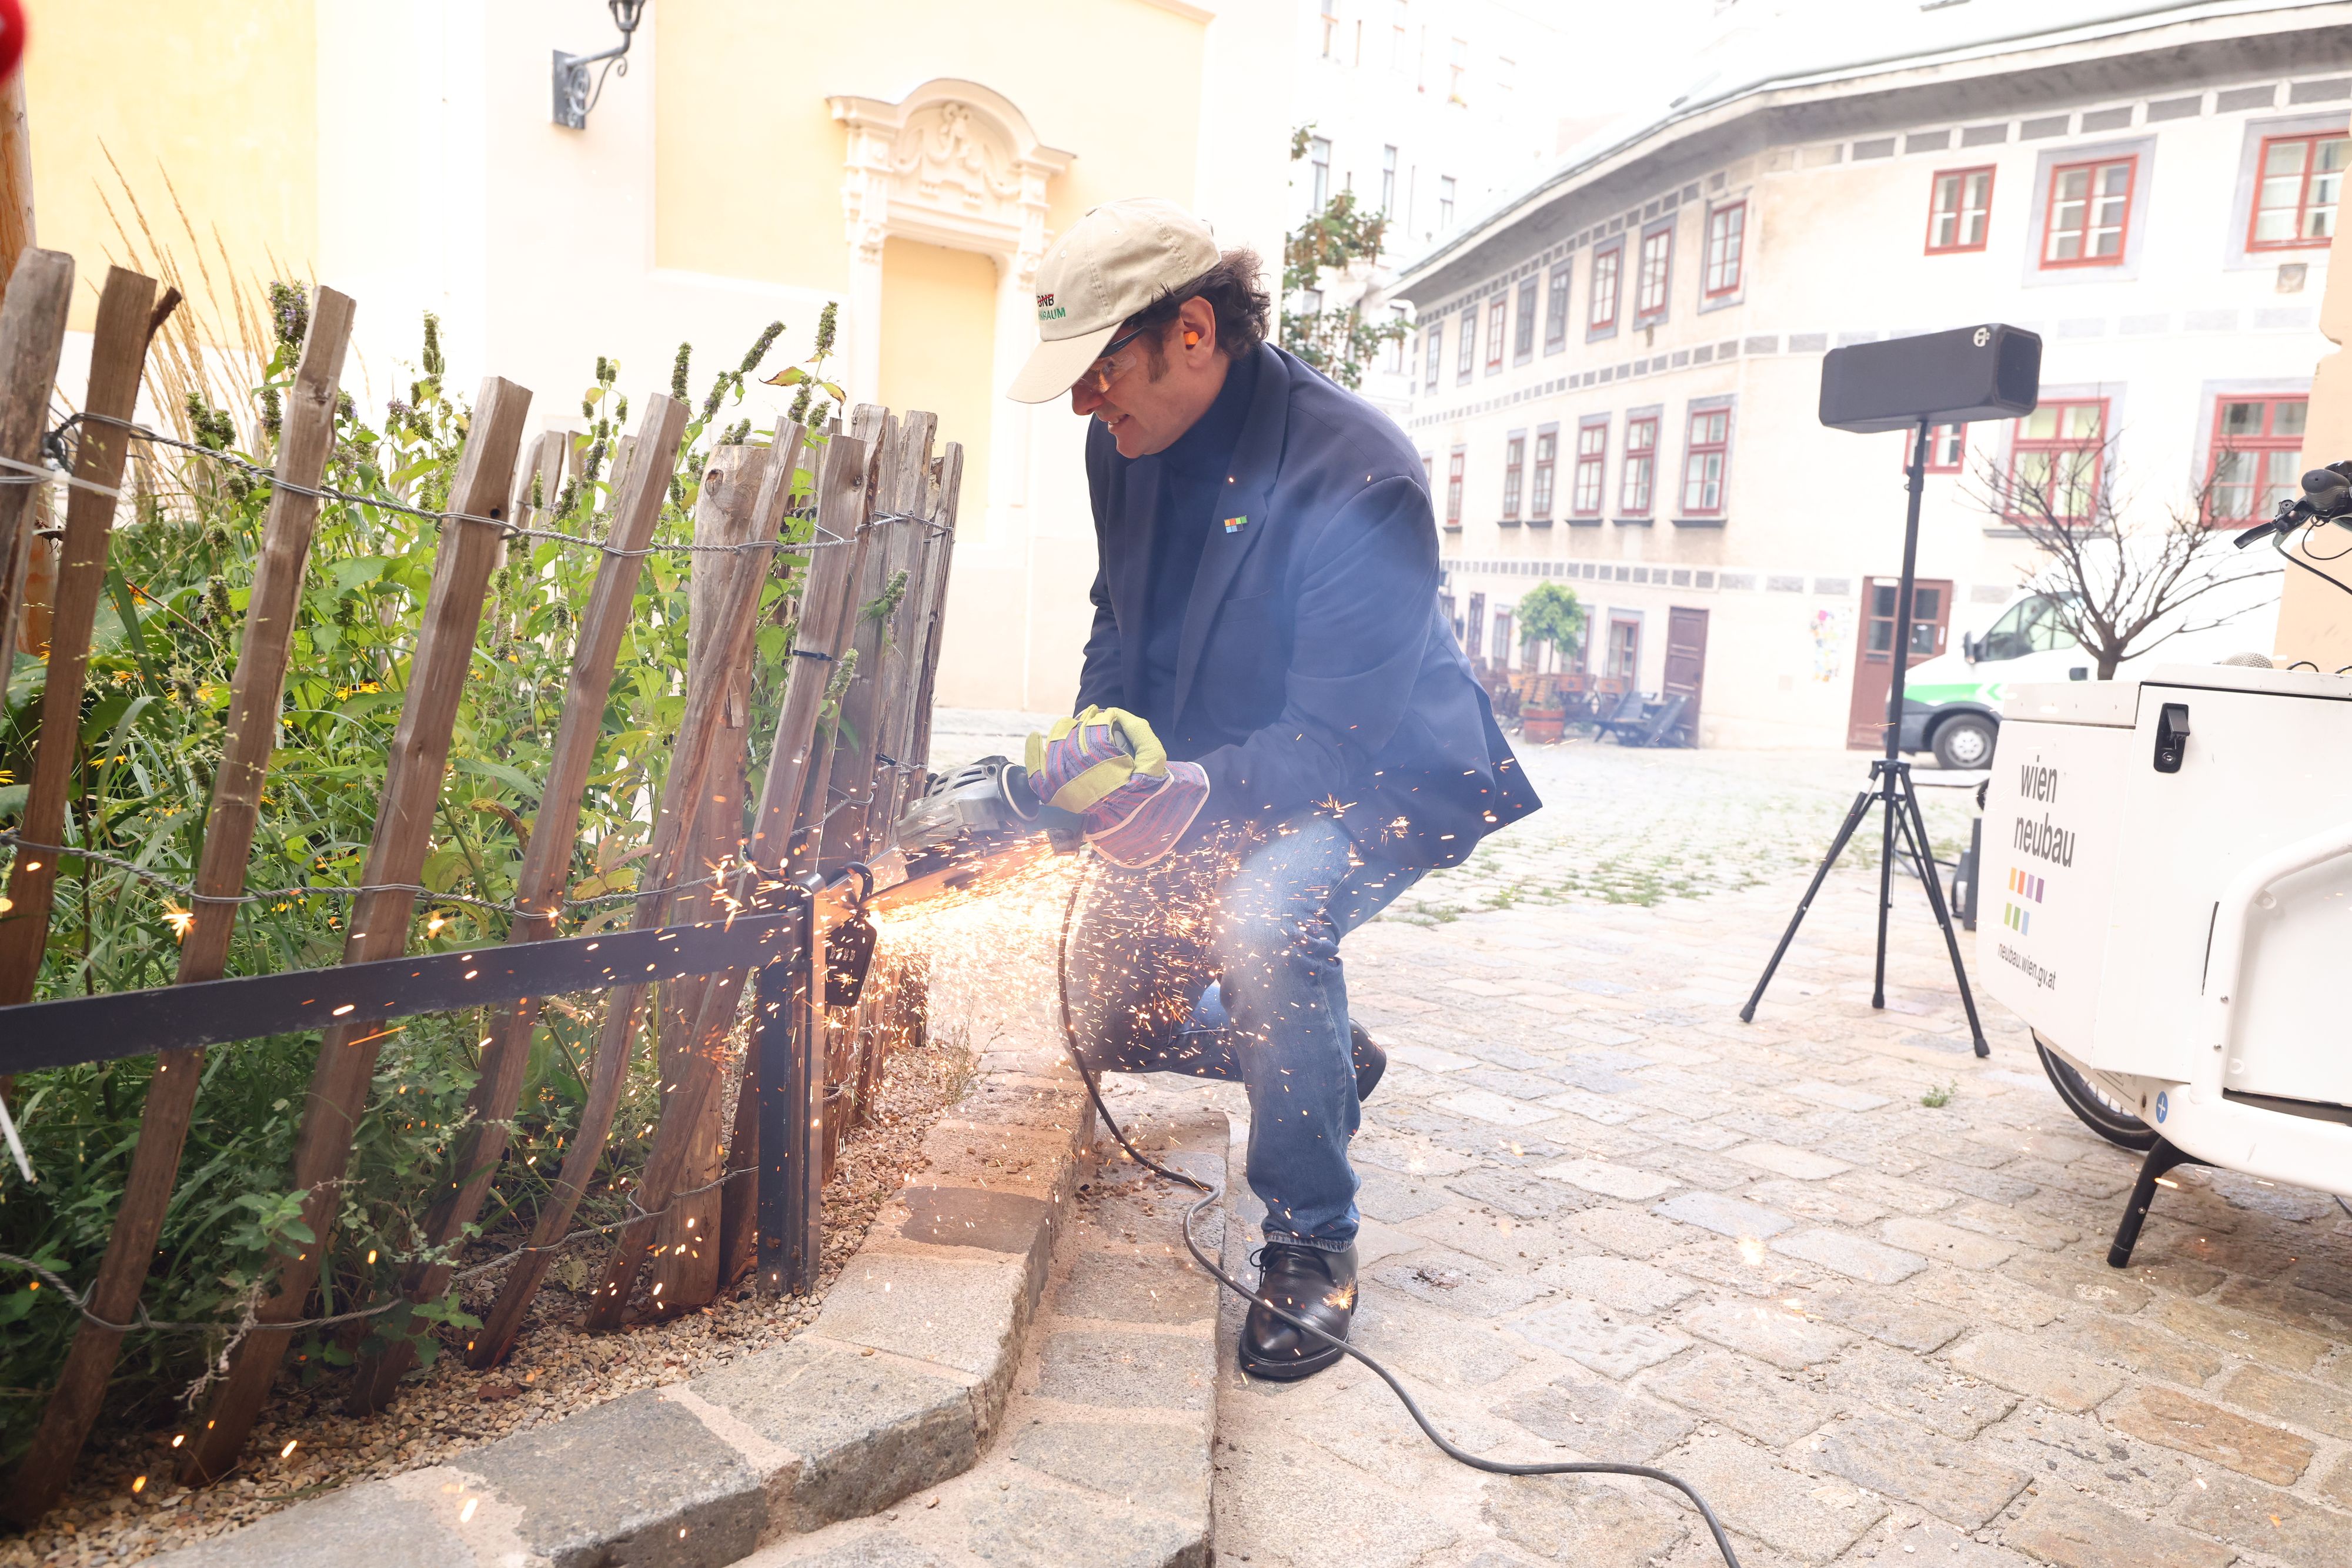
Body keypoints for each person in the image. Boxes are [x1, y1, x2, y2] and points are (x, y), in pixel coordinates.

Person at [1006, 197, 1538, 1380]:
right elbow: (1119, 618)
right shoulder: (1124, 443)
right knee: (1112, 1020)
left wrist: (1187, 792)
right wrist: (1101, 746)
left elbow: (1335, 744)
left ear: (1190, 331)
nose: (1085, 404)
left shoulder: (1359, 473)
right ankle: (1316, 1055)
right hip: (1223, 759)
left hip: (1382, 773)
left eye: (1099, 372)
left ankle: (1312, 1238)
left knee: (1262, 918)